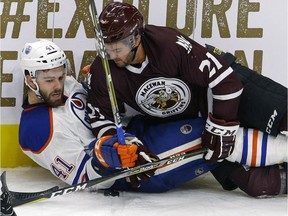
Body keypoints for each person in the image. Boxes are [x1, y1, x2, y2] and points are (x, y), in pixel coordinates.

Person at [85, 2, 287, 196]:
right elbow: (100, 119)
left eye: (117, 49)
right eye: (106, 48)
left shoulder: (168, 44)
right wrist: (125, 145)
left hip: (220, 94)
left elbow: (227, 82)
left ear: (136, 38)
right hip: (191, 121)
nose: (110, 56)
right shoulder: (101, 71)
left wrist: (221, 127)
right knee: (260, 184)